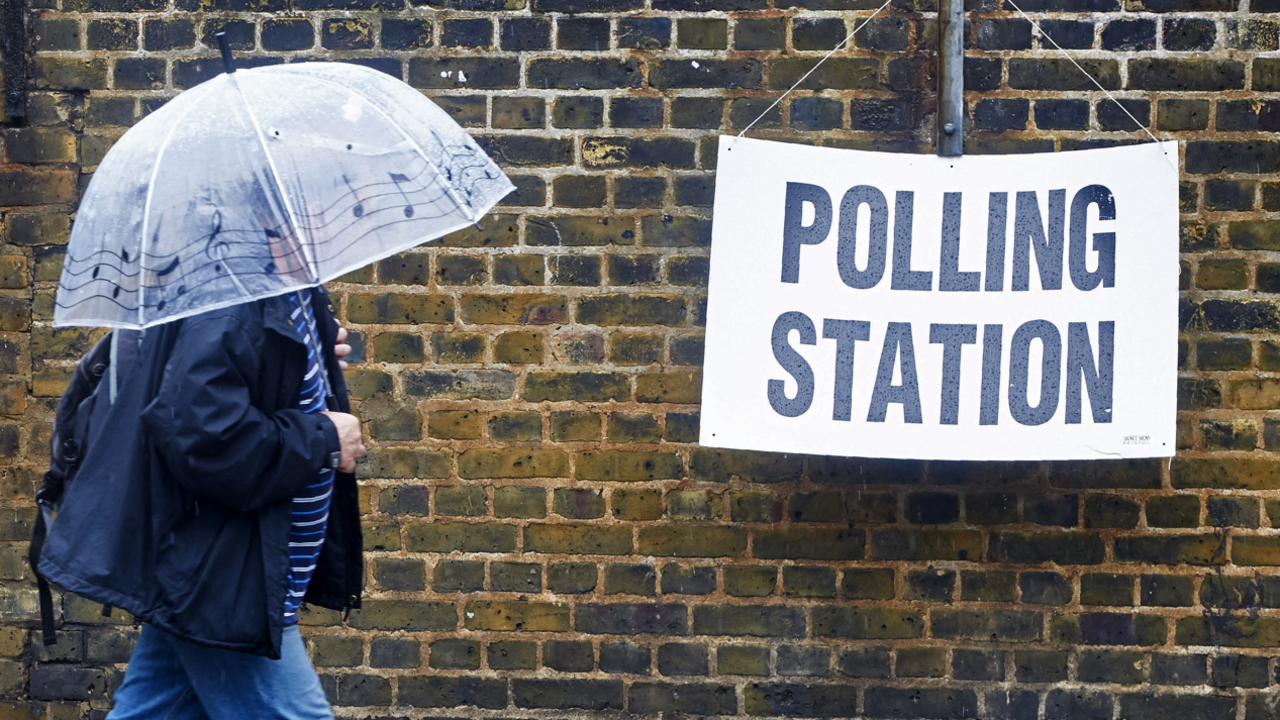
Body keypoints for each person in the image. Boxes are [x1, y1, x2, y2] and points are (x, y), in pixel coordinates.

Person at [36, 284, 366, 720]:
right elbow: (204, 434)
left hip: (216, 566)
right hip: (220, 574)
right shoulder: (230, 298)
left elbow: (245, 387)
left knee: (153, 710)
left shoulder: (284, 292)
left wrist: (308, 350)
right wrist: (324, 438)